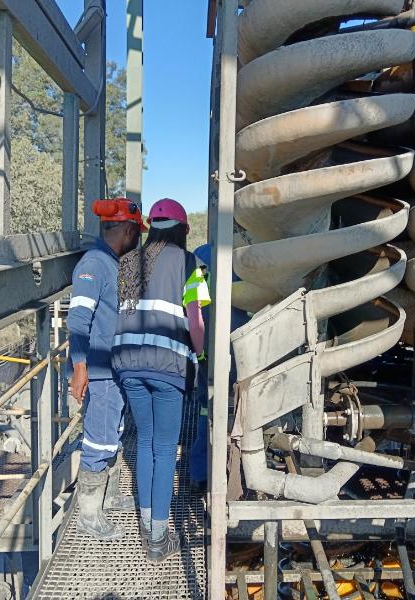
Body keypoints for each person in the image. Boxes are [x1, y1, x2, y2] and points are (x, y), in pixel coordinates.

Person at [112, 198, 211, 562]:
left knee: (146, 442)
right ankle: (157, 538)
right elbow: (195, 321)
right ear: (184, 230)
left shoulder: (127, 262)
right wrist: (200, 355)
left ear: (151, 228)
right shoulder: (191, 264)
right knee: (166, 448)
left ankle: (146, 524)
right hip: (168, 365)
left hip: (129, 365)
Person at [68, 199, 146, 541]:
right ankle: (89, 514)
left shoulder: (113, 263)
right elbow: (78, 320)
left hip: (114, 367)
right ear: (128, 230)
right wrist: (80, 366)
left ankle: (107, 497)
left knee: (112, 430)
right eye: (137, 233)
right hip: (98, 370)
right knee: (98, 437)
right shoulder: (94, 265)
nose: (139, 239)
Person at [188, 243, 249, 493]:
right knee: (244, 406)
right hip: (244, 345)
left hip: (208, 345)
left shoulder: (201, 255)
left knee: (208, 405)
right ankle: (240, 470)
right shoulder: (252, 253)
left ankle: (201, 472)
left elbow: (192, 302)